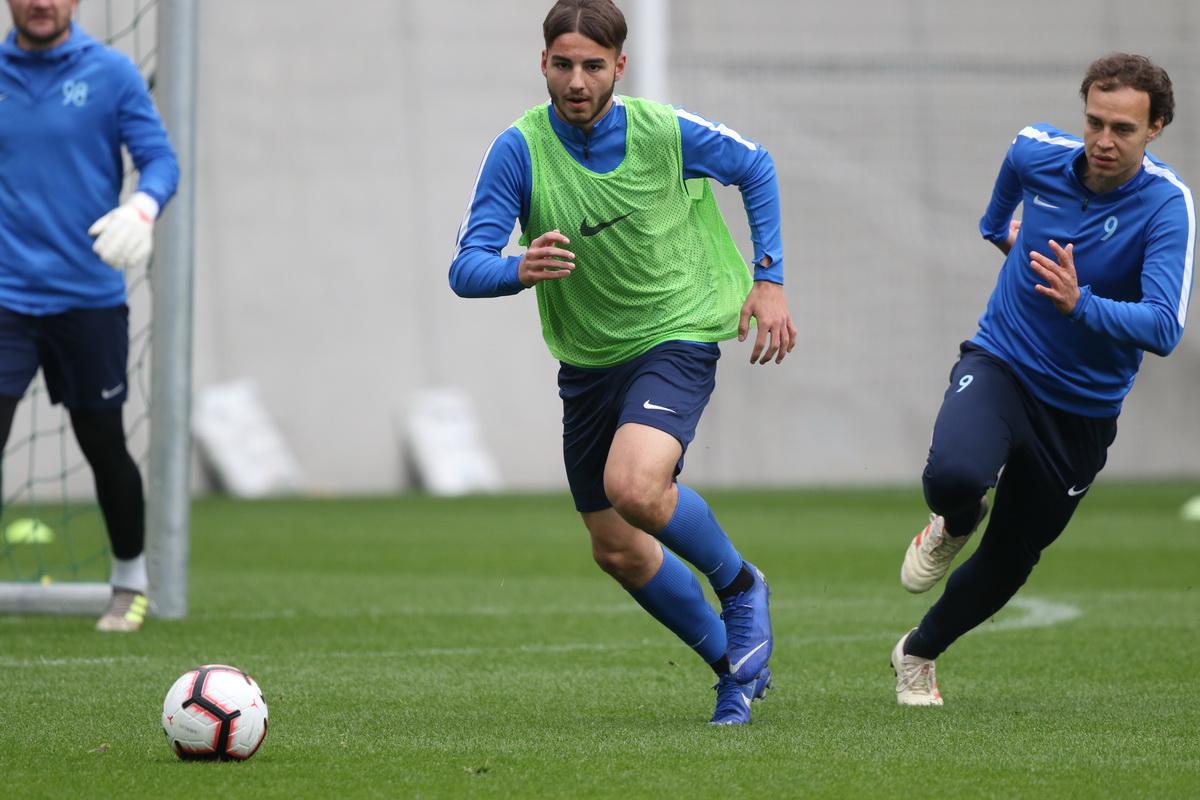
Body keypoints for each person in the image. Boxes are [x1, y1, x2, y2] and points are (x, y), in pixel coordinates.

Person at [450, 0, 796, 725]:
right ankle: (734, 672)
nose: (577, 82)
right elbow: (466, 266)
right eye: (563, 65)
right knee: (618, 550)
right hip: (589, 359)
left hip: (677, 331)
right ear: (543, 63)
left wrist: (769, 280)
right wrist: (517, 268)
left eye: (593, 66)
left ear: (619, 68)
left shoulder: (663, 131)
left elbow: (755, 165)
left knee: (635, 486)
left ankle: (740, 586)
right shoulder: (518, 149)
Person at [892, 53, 1193, 705]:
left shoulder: (1168, 205)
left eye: (1123, 129)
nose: (1104, 140)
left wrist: (1080, 304)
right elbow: (1000, 202)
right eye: (1095, 122)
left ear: (1156, 128)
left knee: (1011, 559)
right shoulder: (1037, 151)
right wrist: (1003, 236)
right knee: (954, 476)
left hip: (1082, 408)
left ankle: (918, 652)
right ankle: (955, 519)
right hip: (1003, 360)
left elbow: (1164, 326)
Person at [0, 0, 179, 631]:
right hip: (6, 297)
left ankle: (129, 581)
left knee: (102, 441)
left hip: (88, 298)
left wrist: (143, 207)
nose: (41, 3)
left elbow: (161, 161)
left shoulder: (112, 73)